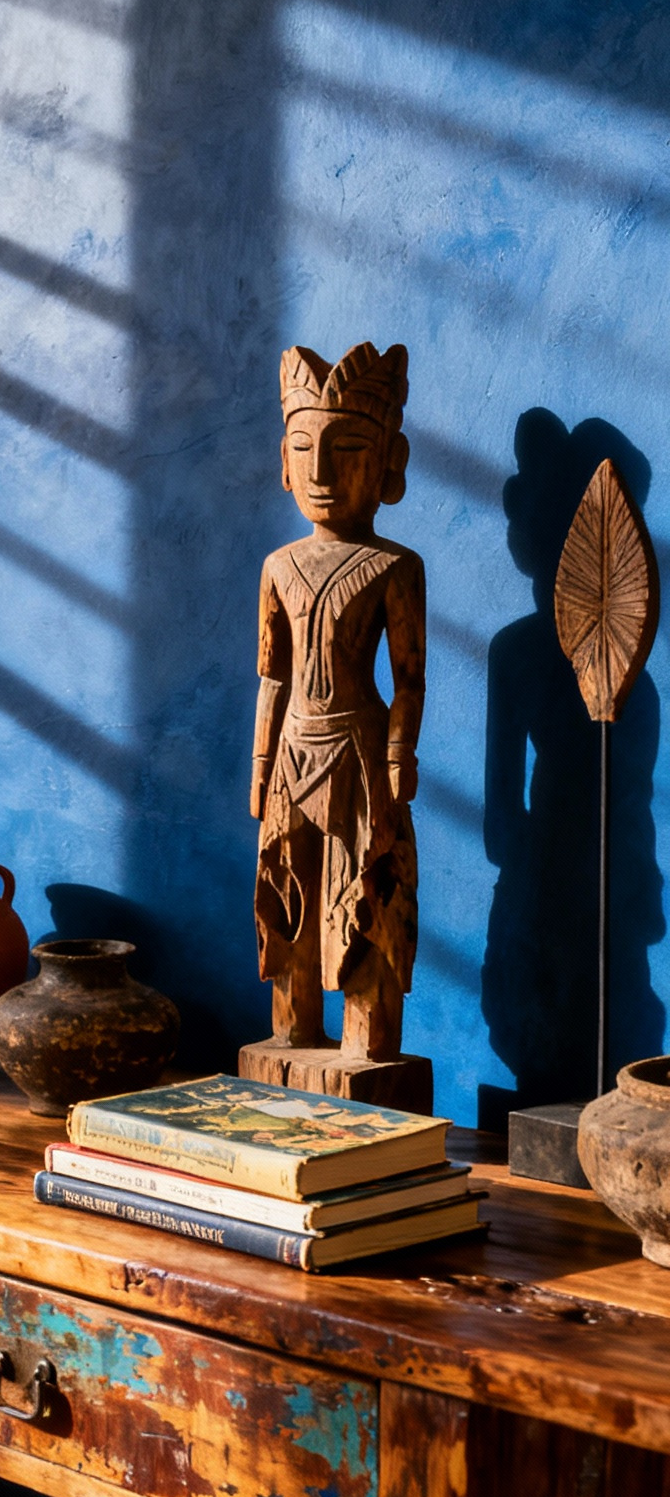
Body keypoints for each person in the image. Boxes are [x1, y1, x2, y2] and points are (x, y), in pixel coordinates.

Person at [251, 341, 425, 1061]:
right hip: (292, 747)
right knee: (284, 897)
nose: (321, 471)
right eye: (304, 447)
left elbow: (409, 678)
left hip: (359, 752)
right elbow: (271, 677)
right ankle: (292, 1030)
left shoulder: (393, 567)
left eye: (347, 447)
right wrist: (259, 768)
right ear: (284, 460)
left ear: (390, 463)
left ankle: (366, 1040)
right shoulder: (279, 566)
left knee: (366, 895)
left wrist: (398, 755)